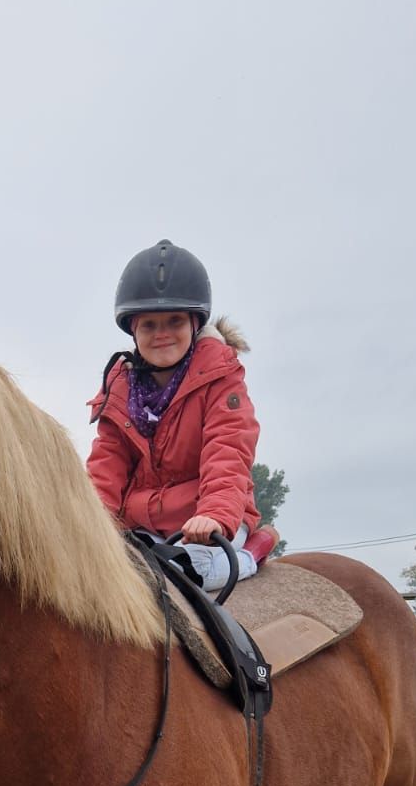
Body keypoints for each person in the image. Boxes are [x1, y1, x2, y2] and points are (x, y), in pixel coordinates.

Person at [87, 239, 279, 592]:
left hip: (205, 521)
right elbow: (107, 466)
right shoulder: (119, 390)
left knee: (193, 572)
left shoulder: (221, 379)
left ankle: (252, 552)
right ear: (133, 330)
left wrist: (216, 514)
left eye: (174, 321)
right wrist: (90, 522)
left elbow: (228, 451)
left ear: (194, 323)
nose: (161, 334)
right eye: (149, 325)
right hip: (143, 524)